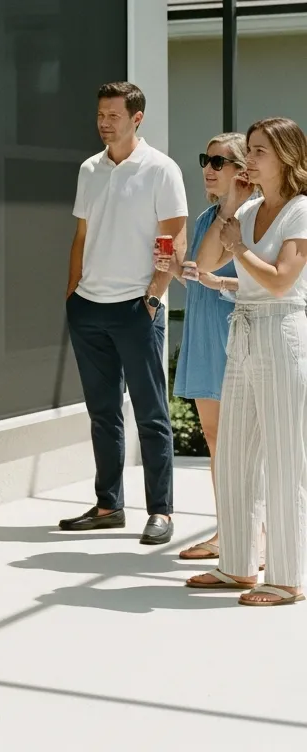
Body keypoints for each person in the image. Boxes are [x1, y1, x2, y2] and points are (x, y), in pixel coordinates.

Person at [186, 118, 307, 605]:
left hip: (282, 331)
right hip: (244, 332)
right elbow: (208, 260)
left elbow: (281, 280)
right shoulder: (249, 206)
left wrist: (239, 245)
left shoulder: (300, 211)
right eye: (249, 151)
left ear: (285, 157)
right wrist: (231, 208)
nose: (248, 160)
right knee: (235, 454)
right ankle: (237, 566)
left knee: (285, 458)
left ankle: (288, 576)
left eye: (258, 152)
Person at [61, 81, 187, 544]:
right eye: (100, 114)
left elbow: (174, 240)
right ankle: (109, 505)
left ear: (137, 119)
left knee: (151, 413)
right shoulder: (89, 169)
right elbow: (81, 238)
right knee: (103, 414)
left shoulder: (161, 170)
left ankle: (162, 511)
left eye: (113, 115)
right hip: (88, 309)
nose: (103, 123)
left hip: (136, 308)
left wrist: (153, 298)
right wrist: (72, 296)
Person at [157, 134, 255, 562]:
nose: (208, 168)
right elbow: (198, 274)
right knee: (215, 438)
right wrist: (175, 268)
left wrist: (215, 280)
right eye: (206, 159)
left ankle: (256, 533)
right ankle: (226, 530)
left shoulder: (250, 217)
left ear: (241, 171)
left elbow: (262, 280)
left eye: (219, 161)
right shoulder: (204, 218)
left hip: (235, 334)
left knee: (245, 443)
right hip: (202, 334)